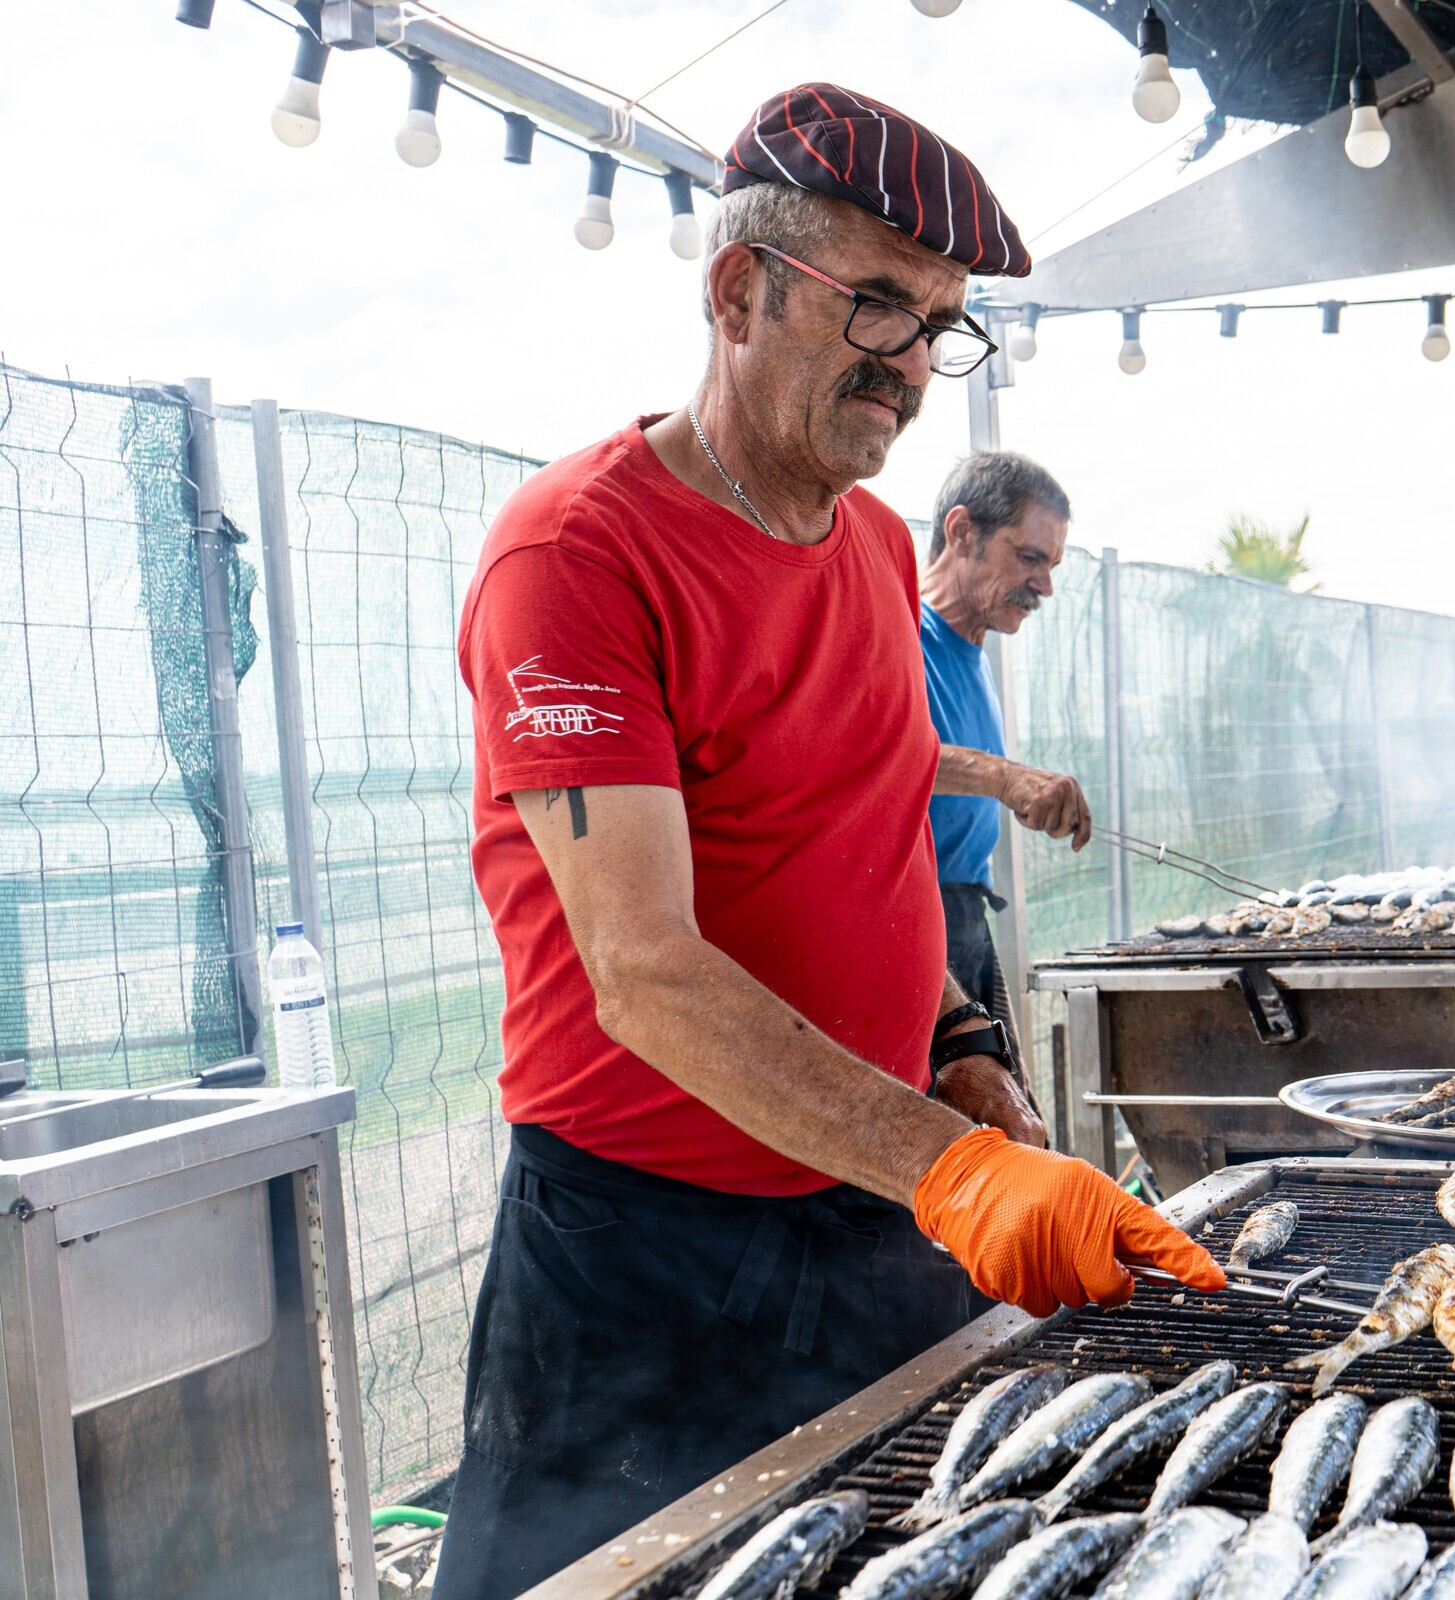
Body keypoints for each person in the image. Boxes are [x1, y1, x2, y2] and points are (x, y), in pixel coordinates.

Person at [438, 85, 1220, 1600]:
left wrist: (966, 1043)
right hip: (641, 1248)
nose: (917, 366)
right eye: (877, 307)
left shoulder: (871, 551)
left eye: (942, 324)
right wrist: (963, 1178)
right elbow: (645, 972)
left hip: (869, 1198)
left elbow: (866, 850)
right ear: (738, 291)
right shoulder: (575, 553)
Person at [919, 450, 1092, 1033]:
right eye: (1029, 558)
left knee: (1005, 1116)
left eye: (1052, 565)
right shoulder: (901, 631)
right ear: (962, 532)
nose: (1044, 583)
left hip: (964, 915)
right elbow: (884, 751)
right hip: (912, 921)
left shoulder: (974, 649)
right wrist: (1008, 777)